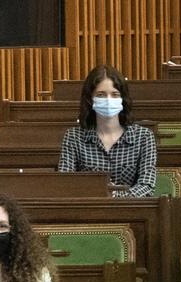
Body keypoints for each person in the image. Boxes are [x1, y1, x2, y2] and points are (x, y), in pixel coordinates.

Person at [58, 63, 159, 198]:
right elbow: (65, 183)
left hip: (131, 212)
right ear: (90, 99)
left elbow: (147, 186)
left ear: (123, 99)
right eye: (101, 95)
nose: (108, 100)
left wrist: (114, 197)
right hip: (88, 211)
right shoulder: (73, 137)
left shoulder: (144, 137)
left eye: (115, 94)